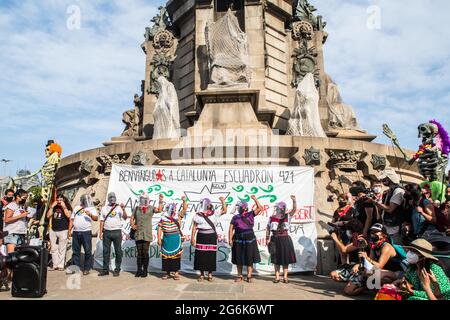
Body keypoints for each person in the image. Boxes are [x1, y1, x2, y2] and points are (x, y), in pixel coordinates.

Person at [331, 223, 405, 296]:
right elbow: (368, 264)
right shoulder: (374, 245)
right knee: (348, 290)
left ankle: (370, 285)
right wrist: (358, 265)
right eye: (372, 231)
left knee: (370, 273)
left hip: (396, 273)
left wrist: (367, 258)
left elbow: (379, 266)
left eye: (376, 232)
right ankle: (367, 285)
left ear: (383, 235)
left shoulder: (386, 247)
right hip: (377, 272)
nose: (373, 233)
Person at [191, 197, 227, 282]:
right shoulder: (198, 215)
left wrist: (223, 201)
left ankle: (210, 273)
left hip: (211, 236)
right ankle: (202, 274)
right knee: (201, 255)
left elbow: (224, 210)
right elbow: (195, 227)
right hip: (201, 236)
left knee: (211, 255)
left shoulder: (215, 213)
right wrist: (192, 237)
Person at [228, 195, 262, 283]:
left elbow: (260, 208)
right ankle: (240, 276)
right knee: (239, 257)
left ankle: (249, 276)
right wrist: (230, 239)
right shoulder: (235, 217)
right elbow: (231, 229)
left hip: (249, 237)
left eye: (239, 207)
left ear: (243, 208)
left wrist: (255, 199)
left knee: (249, 257)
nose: (238, 208)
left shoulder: (251, 214)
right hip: (238, 238)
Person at [130, 193, 164, 277]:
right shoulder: (137, 208)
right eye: (142, 198)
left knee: (145, 252)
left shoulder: (151, 208)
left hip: (147, 233)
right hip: (138, 233)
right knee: (139, 252)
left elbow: (159, 210)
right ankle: (138, 270)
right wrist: (132, 225)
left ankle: (145, 270)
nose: (143, 200)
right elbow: (131, 218)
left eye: (145, 198)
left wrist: (160, 201)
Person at [266, 195, 297, 283]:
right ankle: (277, 277)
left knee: (285, 259)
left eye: (279, 208)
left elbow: (294, 210)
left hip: (284, 239)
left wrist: (294, 201)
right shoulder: (272, 218)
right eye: (277, 208)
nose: (277, 209)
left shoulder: (287, 216)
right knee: (276, 258)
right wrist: (267, 238)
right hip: (275, 239)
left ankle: (285, 277)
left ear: (282, 209)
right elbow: (268, 228)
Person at [369, 168, 405, 244]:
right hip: (387, 226)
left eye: (384, 179)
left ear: (390, 178)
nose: (382, 181)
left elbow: (390, 209)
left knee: (396, 248)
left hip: (394, 227)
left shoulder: (398, 191)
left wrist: (375, 203)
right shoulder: (389, 191)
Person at [157, 195, 188, 280]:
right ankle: (167, 273)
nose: (172, 210)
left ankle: (176, 272)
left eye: (173, 209)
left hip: (175, 239)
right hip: (167, 239)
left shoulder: (177, 217)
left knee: (176, 256)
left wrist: (184, 201)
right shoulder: (163, 218)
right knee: (166, 257)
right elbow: (159, 228)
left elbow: (184, 209)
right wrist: (159, 238)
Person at [98, 192, 128, 277]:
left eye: (113, 197)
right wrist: (100, 233)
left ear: (115, 198)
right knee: (106, 252)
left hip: (117, 232)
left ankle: (117, 269)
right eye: (110, 197)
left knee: (118, 251)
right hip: (106, 232)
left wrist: (123, 209)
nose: (112, 199)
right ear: (108, 198)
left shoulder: (119, 208)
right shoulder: (104, 208)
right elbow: (101, 221)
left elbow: (125, 218)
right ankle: (105, 270)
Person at [68, 194, 98, 275]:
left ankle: (86, 269)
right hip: (76, 232)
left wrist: (90, 215)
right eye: (84, 199)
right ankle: (75, 269)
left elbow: (96, 218)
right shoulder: (76, 208)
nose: (86, 201)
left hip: (86, 232)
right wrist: (69, 230)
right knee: (75, 251)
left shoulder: (92, 208)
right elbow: (72, 219)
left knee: (88, 251)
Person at [46, 194, 72, 271]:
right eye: (57, 200)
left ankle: (61, 265)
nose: (59, 202)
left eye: (60, 200)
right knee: (54, 248)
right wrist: (52, 207)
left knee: (62, 248)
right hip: (53, 229)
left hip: (63, 230)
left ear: (64, 200)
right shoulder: (54, 207)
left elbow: (69, 216)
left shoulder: (67, 206)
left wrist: (64, 207)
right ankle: (55, 265)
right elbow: (48, 216)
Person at [3, 189, 29, 254]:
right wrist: (21, 216)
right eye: (24, 197)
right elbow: (7, 220)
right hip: (12, 233)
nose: (25, 199)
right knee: (11, 257)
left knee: (18, 257)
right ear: (18, 196)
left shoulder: (21, 206)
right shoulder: (12, 205)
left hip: (21, 233)